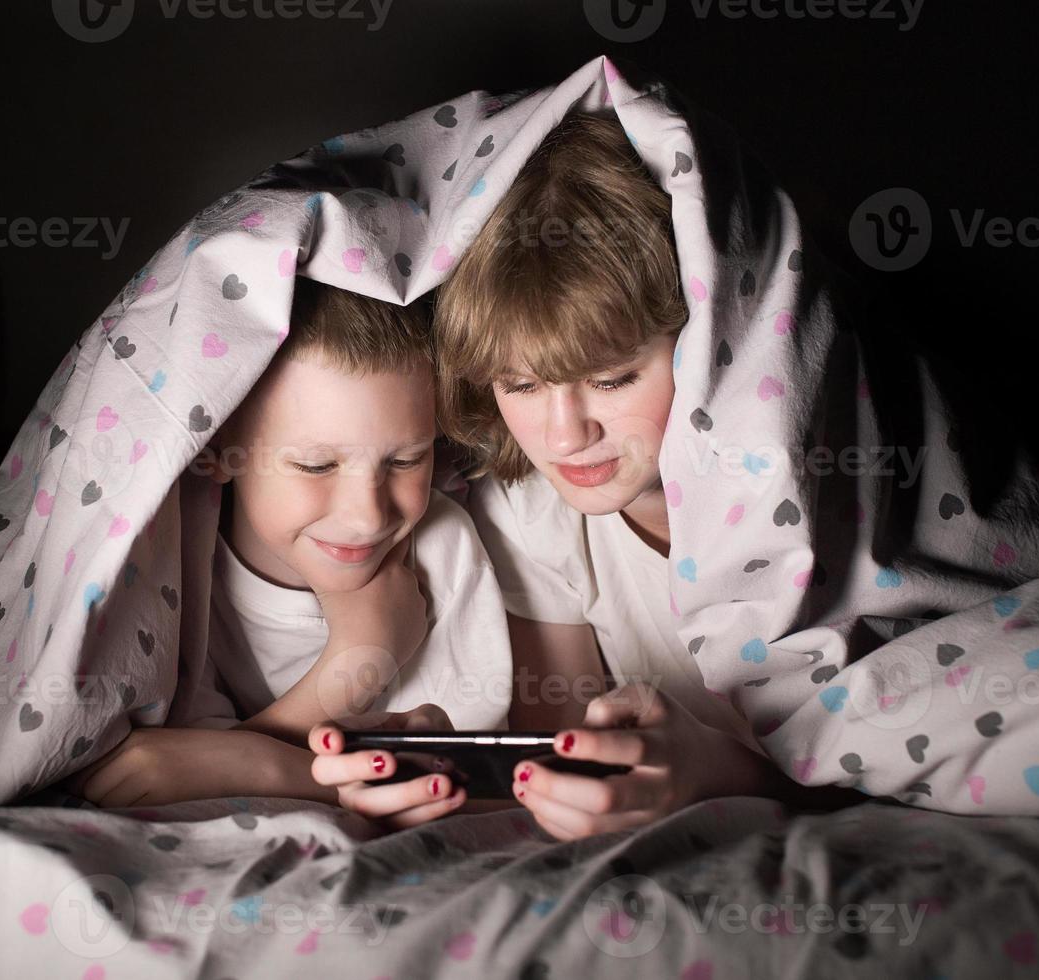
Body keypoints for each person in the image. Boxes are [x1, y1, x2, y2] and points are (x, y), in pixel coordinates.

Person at [310, 112, 862, 838]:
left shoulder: (831, 485)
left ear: (711, 347)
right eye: (523, 385)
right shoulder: (535, 513)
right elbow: (569, 768)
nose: (565, 437)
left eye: (612, 378)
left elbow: (901, 776)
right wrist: (450, 778)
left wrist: (722, 774)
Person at [69, 279, 511, 812]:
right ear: (218, 451)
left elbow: (467, 786)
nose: (368, 514)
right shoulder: (179, 562)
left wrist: (254, 764)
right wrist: (360, 656)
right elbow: (171, 767)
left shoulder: (444, 549)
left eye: (404, 460)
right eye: (316, 465)